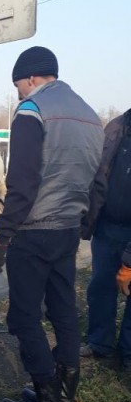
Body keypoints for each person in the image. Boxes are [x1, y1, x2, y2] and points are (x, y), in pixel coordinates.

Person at [0, 46, 103, 402]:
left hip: (34, 231)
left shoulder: (31, 111)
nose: (18, 92)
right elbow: (97, 180)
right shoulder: (90, 116)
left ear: (32, 78)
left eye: (18, 84)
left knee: (23, 317)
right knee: (64, 311)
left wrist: (3, 238)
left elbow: (22, 182)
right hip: (68, 230)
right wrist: (84, 222)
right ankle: (65, 399)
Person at [80, 108, 131, 367]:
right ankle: (100, 343)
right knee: (100, 287)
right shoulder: (117, 126)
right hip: (107, 227)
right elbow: (98, 173)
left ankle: (127, 354)